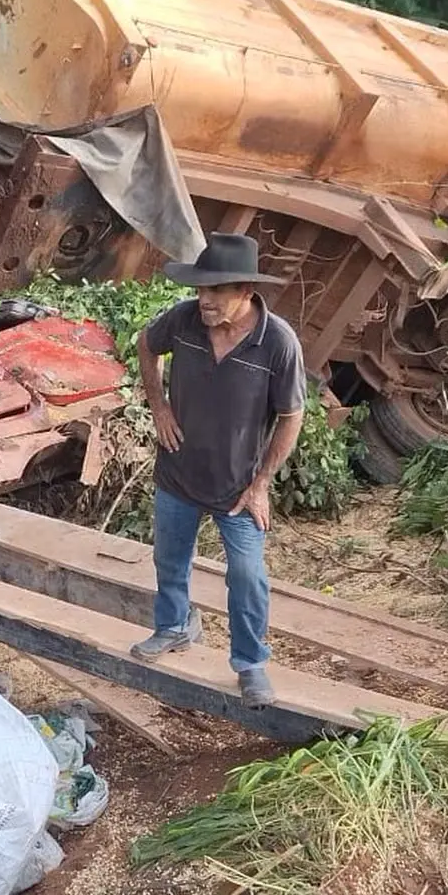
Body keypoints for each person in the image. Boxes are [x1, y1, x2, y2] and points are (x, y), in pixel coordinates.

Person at [131, 232, 306, 708]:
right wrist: (159, 406)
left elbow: (291, 416)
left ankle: (250, 663)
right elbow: (146, 345)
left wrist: (262, 483)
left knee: (247, 575)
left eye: (215, 291)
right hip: (179, 475)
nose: (203, 300)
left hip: (238, 489)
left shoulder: (278, 344)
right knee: (170, 559)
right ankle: (173, 627)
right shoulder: (184, 321)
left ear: (245, 292)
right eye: (200, 289)